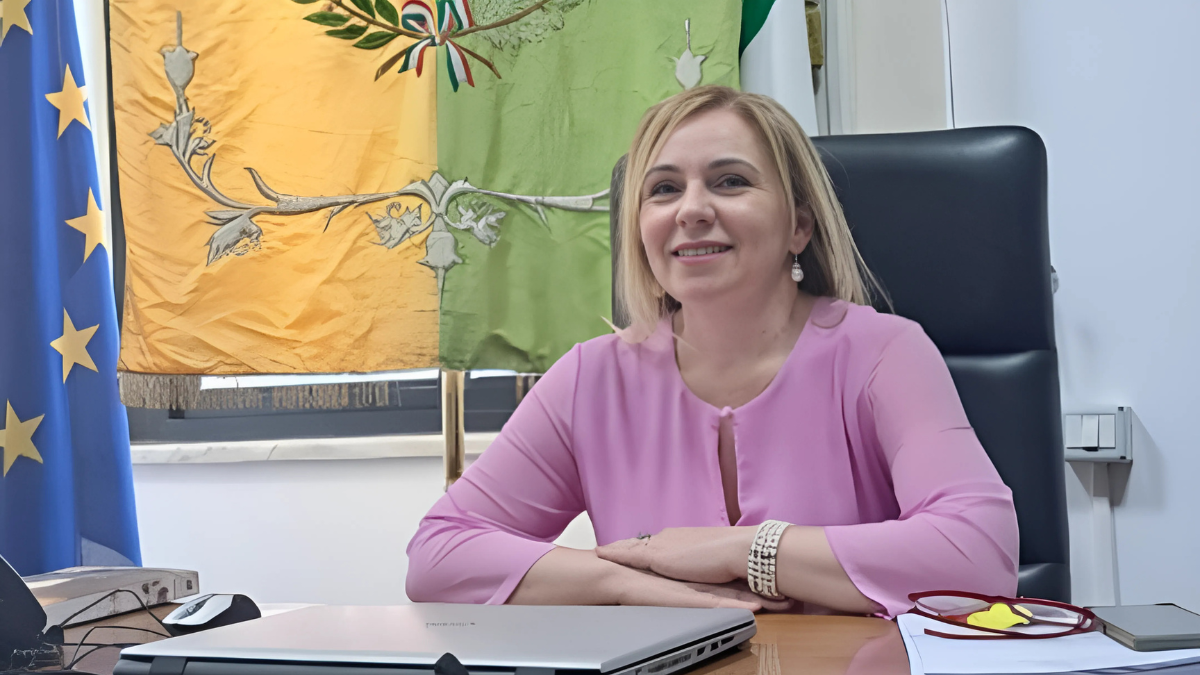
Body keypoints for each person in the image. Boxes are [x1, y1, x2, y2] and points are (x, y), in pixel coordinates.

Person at [405, 85, 1019, 617]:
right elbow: (437, 556)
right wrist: (626, 584)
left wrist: (742, 552)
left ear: (799, 226)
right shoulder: (592, 378)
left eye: (731, 181)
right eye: (664, 189)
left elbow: (980, 557)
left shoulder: (885, 353)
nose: (692, 210)